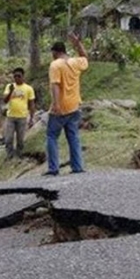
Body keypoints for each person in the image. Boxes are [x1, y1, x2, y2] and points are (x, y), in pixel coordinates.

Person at [44, 33, 89, 176]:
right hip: (75, 106)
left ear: (55, 52)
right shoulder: (75, 62)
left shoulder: (55, 65)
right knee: (73, 137)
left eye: (52, 53)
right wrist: (77, 44)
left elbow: (55, 85)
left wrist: (56, 105)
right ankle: (77, 167)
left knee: (51, 136)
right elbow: (85, 58)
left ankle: (53, 168)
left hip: (61, 107)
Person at [3, 67, 35, 159]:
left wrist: (31, 118)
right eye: (15, 76)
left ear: (23, 76)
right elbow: (4, 100)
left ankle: (19, 155)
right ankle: (10, 155)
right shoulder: (9, 86)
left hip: (22, 117)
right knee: (8, 138)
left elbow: (31, 104)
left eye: (19, 76)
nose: (17, 78)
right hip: (10, 116)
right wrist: (11, 91)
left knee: (20, 139)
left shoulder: (28, 88)